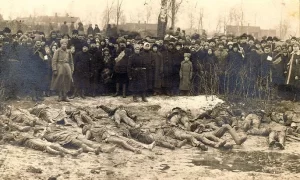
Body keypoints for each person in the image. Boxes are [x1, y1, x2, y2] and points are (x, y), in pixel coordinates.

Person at [82, 124, 155, 153]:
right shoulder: (90, 130)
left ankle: (147, 146)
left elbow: (87, 138)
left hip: (111, 134)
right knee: (122, 142)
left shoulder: (91, 128)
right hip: (108, 137)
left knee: (129, 140)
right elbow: (86, 139)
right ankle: (134, 150)